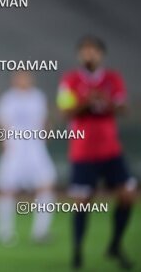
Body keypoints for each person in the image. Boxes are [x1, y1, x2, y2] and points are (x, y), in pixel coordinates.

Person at [57, 36, 136, 270]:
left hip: (111, 150)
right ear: (79, 55)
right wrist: (86, 102)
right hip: (83, 151)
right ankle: (78, 252)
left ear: (101, 54)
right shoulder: (71, 80)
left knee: (127, 195)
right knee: (82, 202)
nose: (89, 55)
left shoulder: (112, 79)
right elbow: (65, 111)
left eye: (93, 51)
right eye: (85, 51)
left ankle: (115, 245)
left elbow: (123, 107)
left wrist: (105, 101)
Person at [0, 71, 56, 245]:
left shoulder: (38, 97)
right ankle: (5, 233)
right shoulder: (8, 99)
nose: (23, 80)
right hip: (15, 148)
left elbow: (44, 122)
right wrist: (4, 144)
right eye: (19, 77)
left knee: (46, 186)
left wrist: (47, 133)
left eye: (26, 76)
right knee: (6, 189)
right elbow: (2, 124)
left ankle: (40, 231)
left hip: (35, 148)